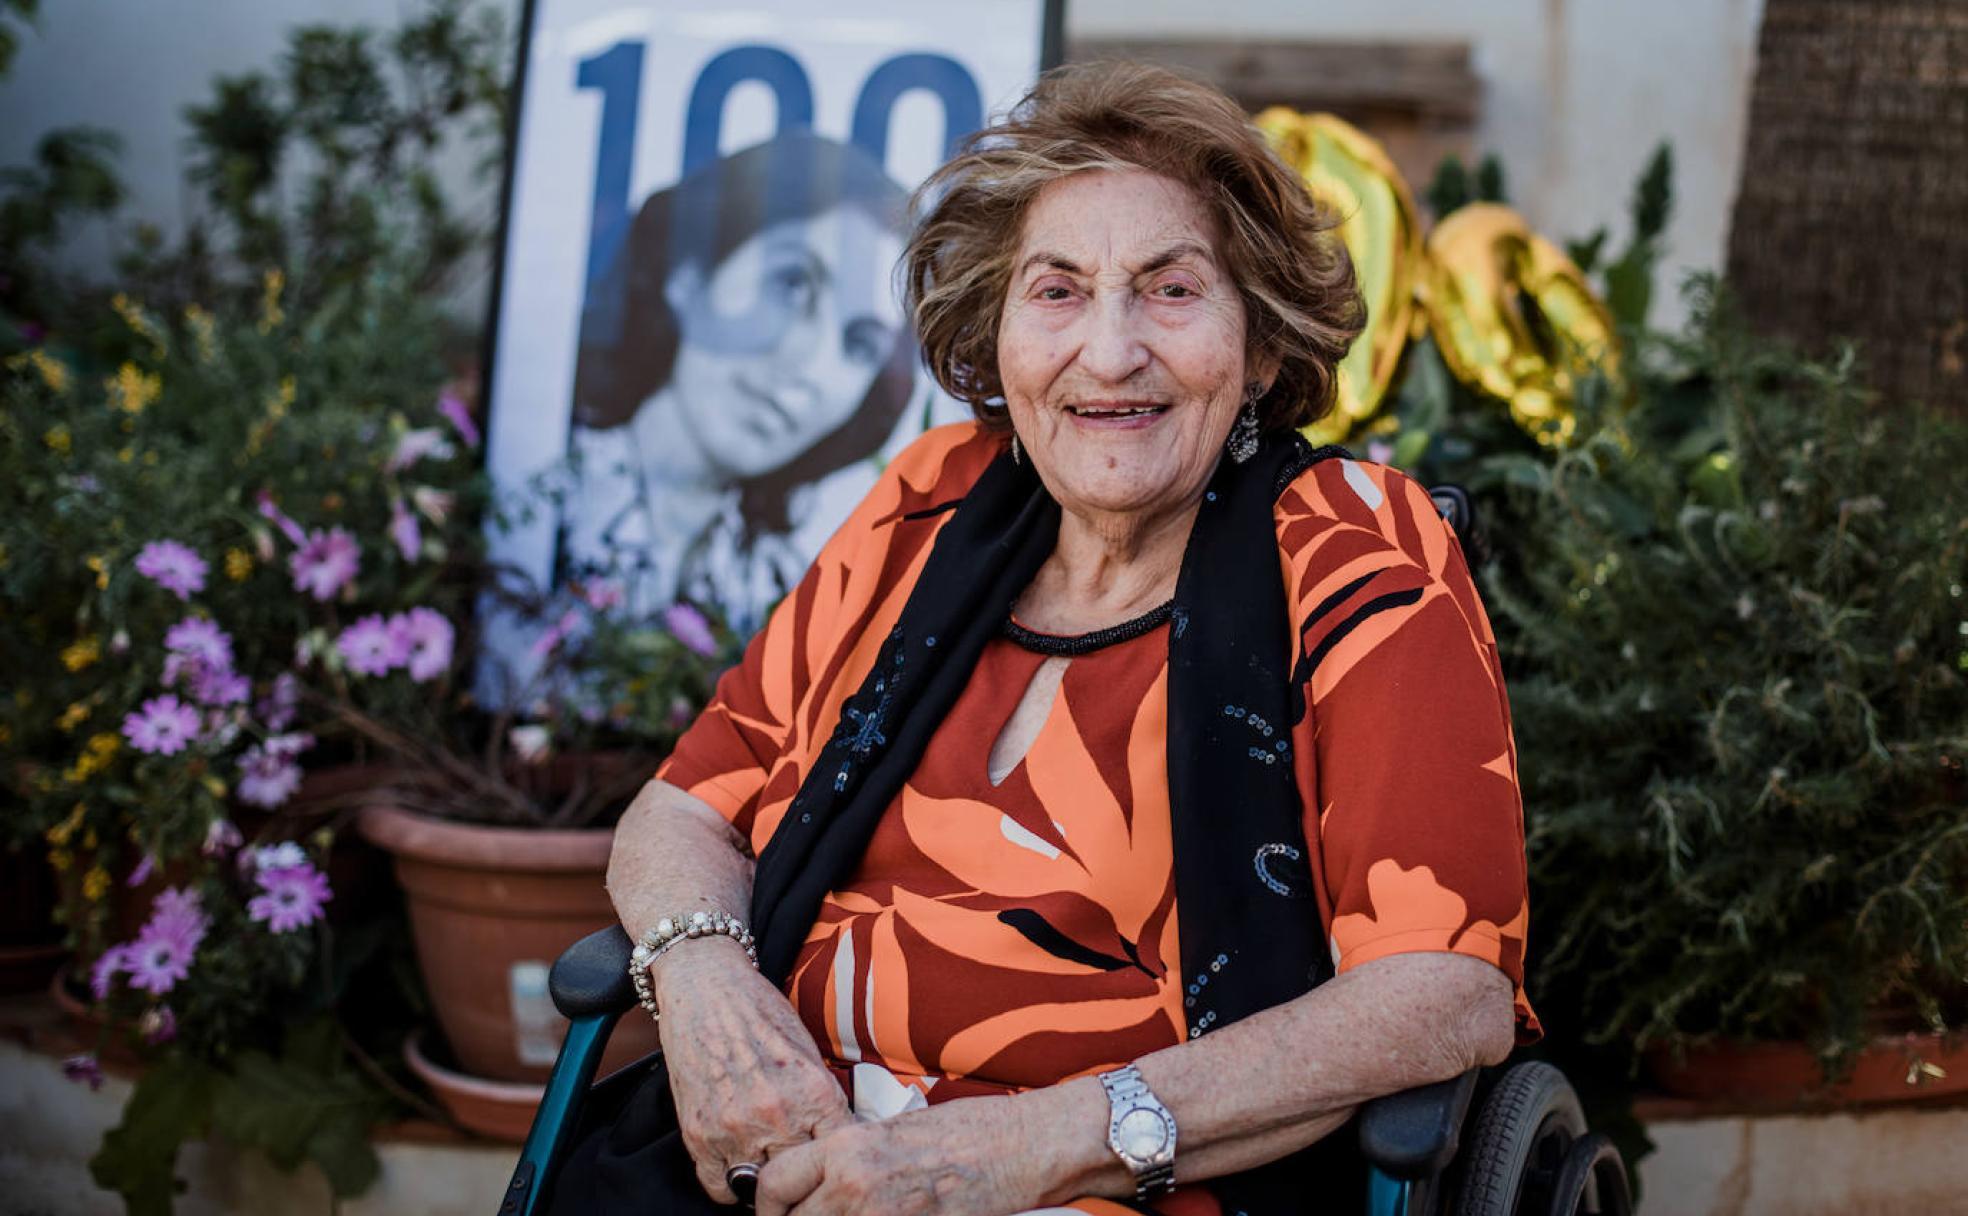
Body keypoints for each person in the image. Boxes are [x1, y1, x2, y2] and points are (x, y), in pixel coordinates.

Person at [555, 61, 1536, 1216]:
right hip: (786, 1157)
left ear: (1263, 345)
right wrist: (705, 981)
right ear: (998, 331)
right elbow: (686, 805)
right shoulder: (928, 504)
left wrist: (1035, 1145)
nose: (1110, 352)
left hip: (1118, 1185)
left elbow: (1443, 989)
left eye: (1171, 290)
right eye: (1058, 290)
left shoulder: (1356, 552)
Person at [567, 129, 920, 632]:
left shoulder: (787, 593)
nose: (809, 366)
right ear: (688, 273)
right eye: (793, 285)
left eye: (860, 344)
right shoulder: (541, 498)